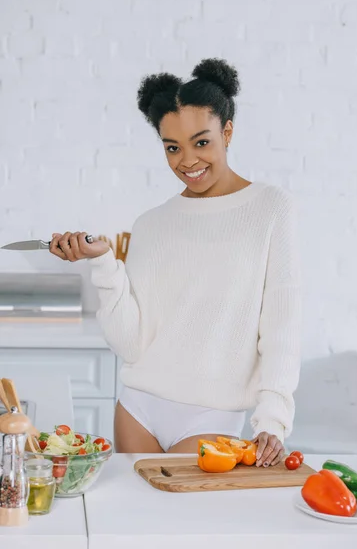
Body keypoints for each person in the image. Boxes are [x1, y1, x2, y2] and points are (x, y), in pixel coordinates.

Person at [50, 58, 301, 468]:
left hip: (213, 414)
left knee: (187, 528)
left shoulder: (271, 209)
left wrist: (273, 418)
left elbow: (282, 325)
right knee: (132, 529)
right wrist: (105, 265)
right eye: (172, 147)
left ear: (228, 131)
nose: (187, 161)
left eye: (201, 142)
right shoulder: (151, 224)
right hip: (137, 409)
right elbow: (131, 343)